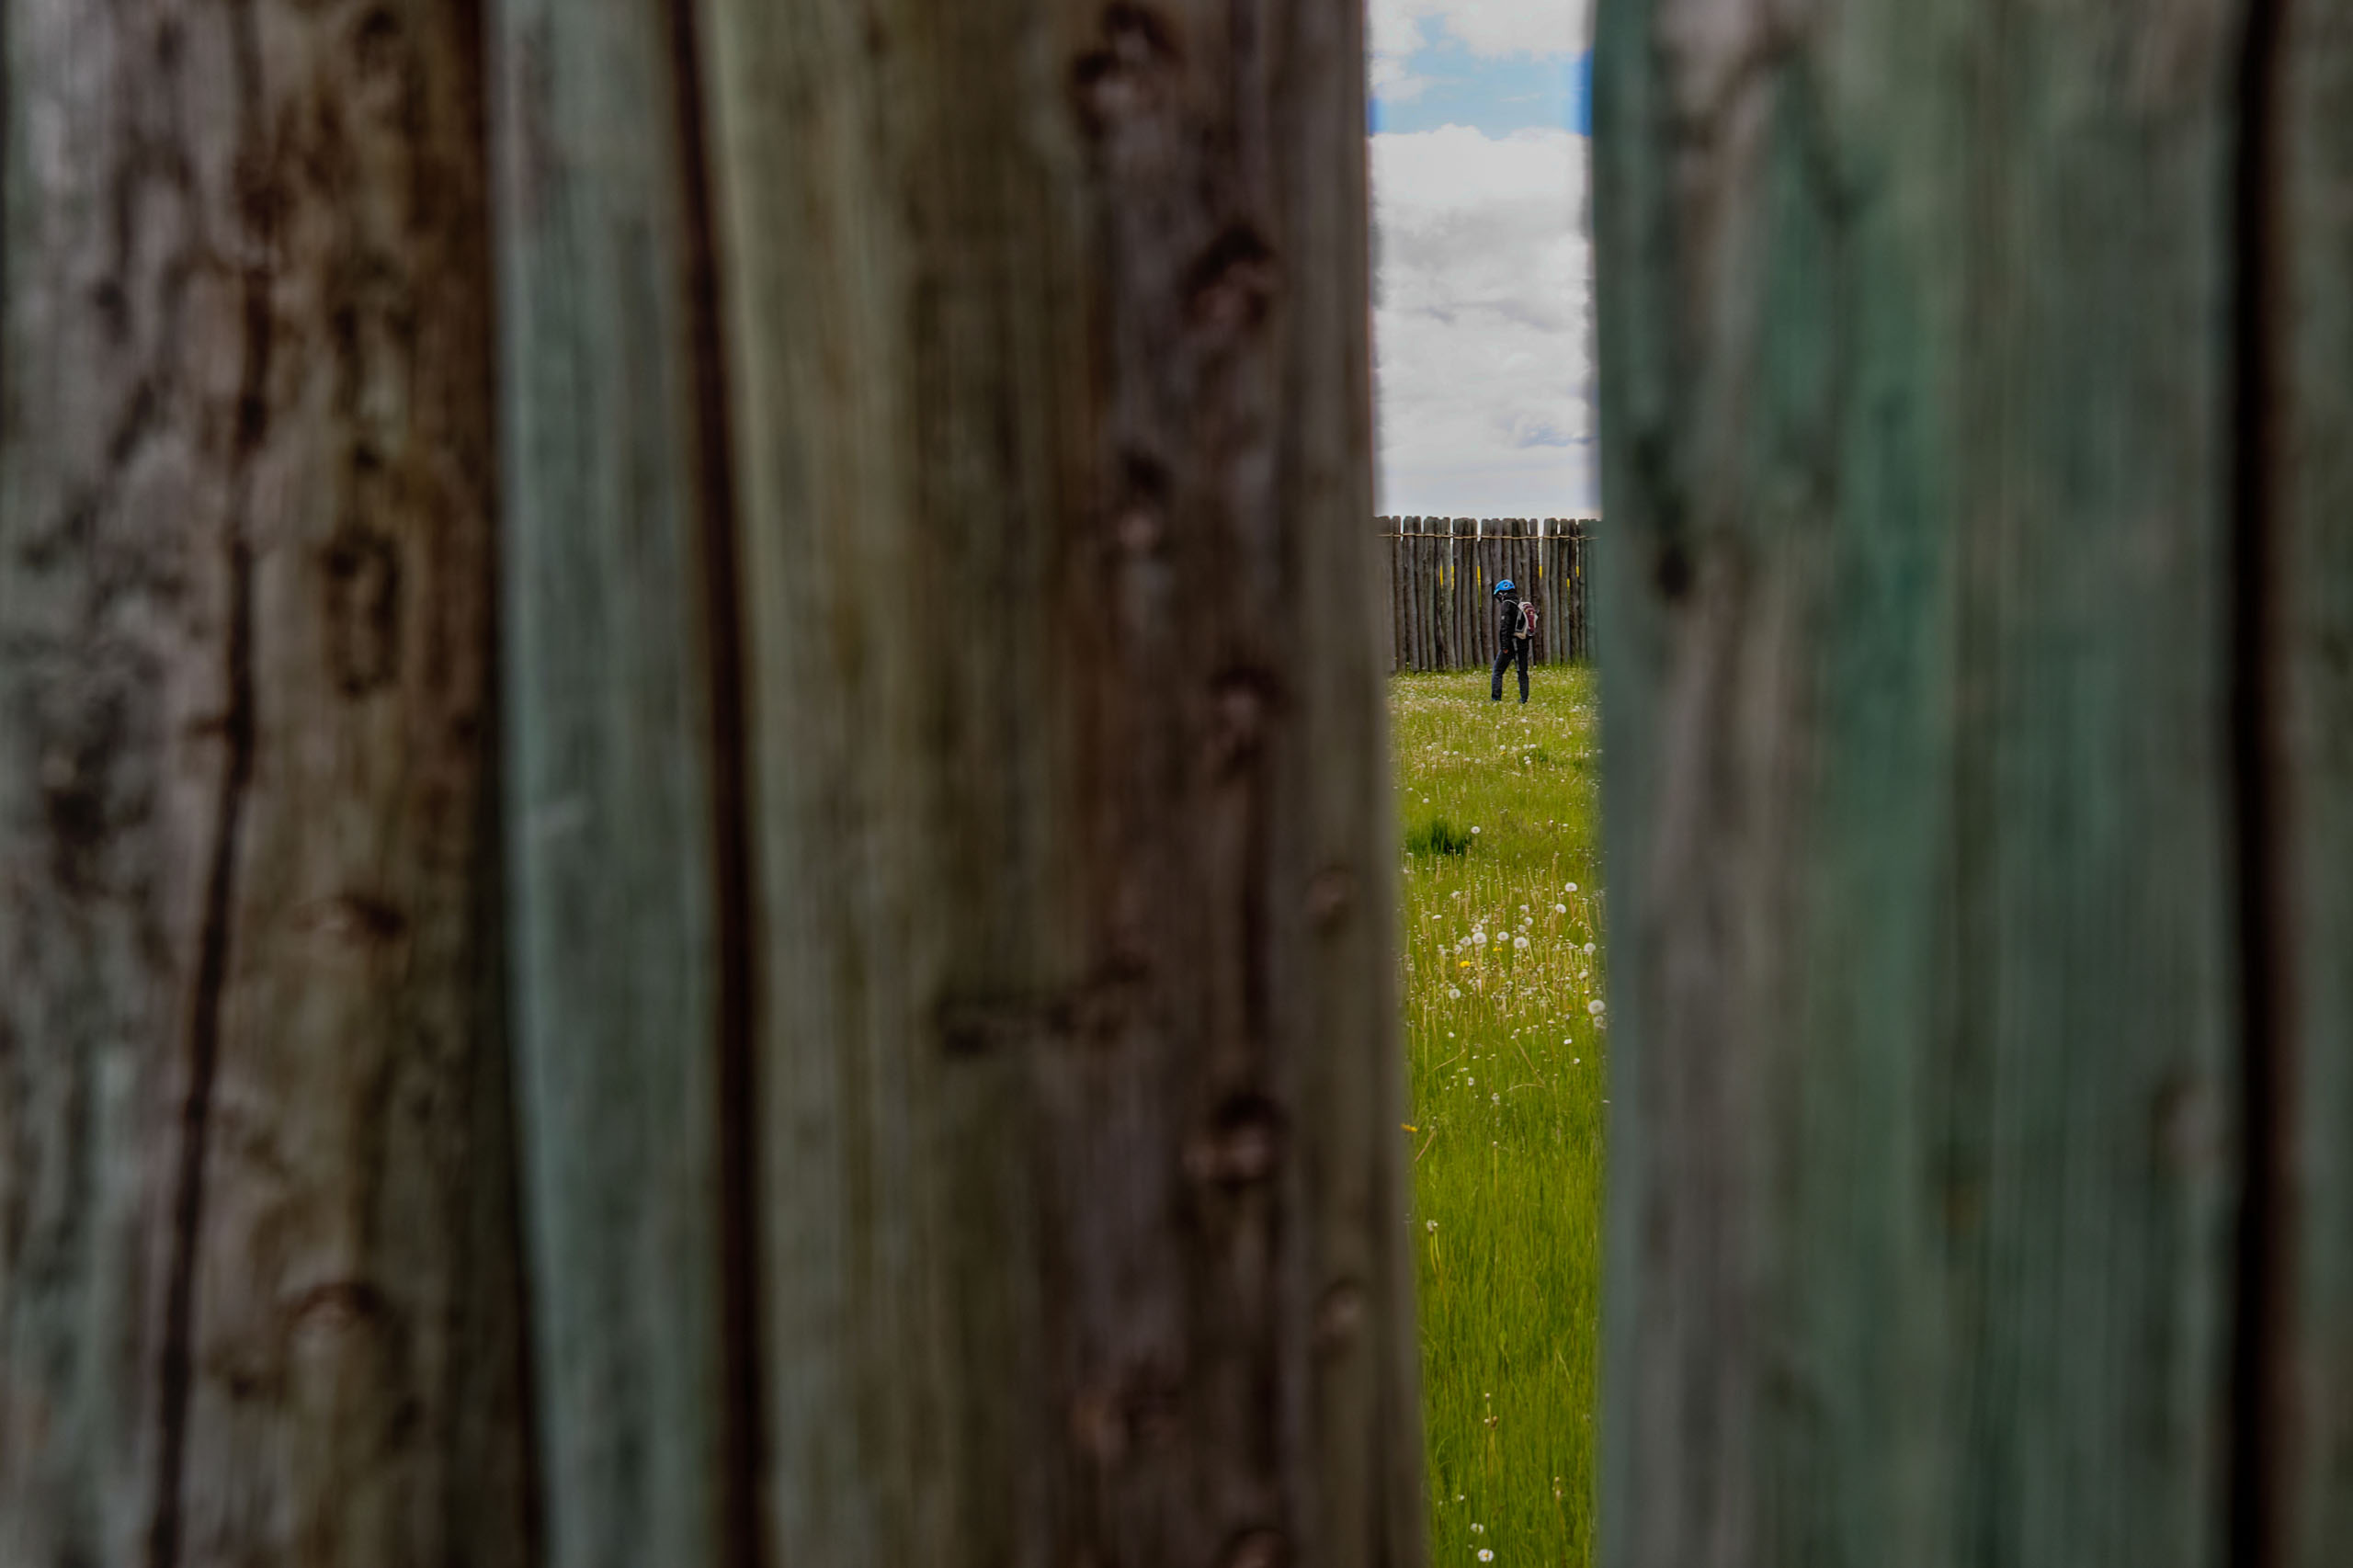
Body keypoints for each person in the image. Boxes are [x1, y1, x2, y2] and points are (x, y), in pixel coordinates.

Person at [1491, 578, 1531, 703]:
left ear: (1502, 593)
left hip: (1511, 644)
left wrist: (1504, 646)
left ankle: (1496, 699)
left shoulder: (1507, 604)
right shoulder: (1519, 604)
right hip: (1523, 642)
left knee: (1497, 671)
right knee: (1522, 672)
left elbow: (1505, 627)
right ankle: (1524, 700)